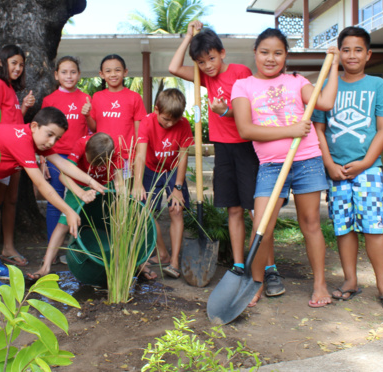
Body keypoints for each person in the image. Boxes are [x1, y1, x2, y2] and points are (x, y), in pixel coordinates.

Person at [168, 21, 286, 296]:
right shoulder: (203, 76)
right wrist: (188, 37)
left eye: (211, 58)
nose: (208, 65)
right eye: (201, 61)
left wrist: (226, 111)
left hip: (247, 146)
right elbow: (174, 67)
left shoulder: (240, 72)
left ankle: (269, 269)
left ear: (222, 53)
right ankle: (238, 265)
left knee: (258, 212)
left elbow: (249, 108)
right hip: (222, 148)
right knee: (233, 209)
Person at [231, 28, 340, 308]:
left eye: (278, 53)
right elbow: (245, 129)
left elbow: (325, 102)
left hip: (307, 160)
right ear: (255, 53)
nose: (271, 58)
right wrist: (290, 129)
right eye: (265, 52)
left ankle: (320, 284)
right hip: (271, 166)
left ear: (285, 56)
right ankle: (255, 285)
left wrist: (334, 64)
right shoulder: (243, 86)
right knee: (261, 226)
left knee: (311, 224)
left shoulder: (296, 80)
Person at [0, 107, 106, 294]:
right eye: (49, 135)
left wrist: (91, 181)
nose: (51, 142)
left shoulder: (37, 139)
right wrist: (69, 211)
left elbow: (62, 163)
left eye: (57, 138)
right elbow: (41, 184)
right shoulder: (22, 141)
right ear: (35, 126)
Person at [312, 26, 383, 311]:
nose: (351, 55)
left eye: (358, 49)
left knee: (374, 228)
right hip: (337, 171)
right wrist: (329, 164)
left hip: (368, 169)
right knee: (343, 227)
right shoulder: (327, 85)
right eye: (345, 49)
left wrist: (365, 162)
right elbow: (319, 129)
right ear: (338, 53)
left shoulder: (377, 86)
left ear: (368, 54)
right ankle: (350, 281)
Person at [28, 132, 124, 280]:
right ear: (86, 150)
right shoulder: (81, 144)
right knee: (62, 224)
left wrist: (119, 197)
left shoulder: (115, 149)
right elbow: (63, 176)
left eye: (99, 165)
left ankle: (132, 265)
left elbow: (119, 181)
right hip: (77, 187)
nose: (93, 167)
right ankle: (45, 267)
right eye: (90, 162)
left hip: (104, 187)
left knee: (115, 223)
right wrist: (81, 193)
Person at [133, 89, 193, 279]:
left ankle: (174, 262)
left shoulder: (183, 125)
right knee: (147, 212)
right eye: (166, 119)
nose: (170, 124)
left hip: (173, 169)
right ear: (156, 109)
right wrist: (137, 183)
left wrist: (178, 188)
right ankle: (163, 253)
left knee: (176, 209)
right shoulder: (147, 122)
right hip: (152, 169)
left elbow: (183, 157)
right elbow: (140, 155)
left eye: (174, 120)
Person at [0, 45, 36, 267]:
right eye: (13, 63)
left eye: (21, 64)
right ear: (1, 62)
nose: (17, 68)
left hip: (14, 153)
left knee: (12, 201)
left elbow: (13, 122)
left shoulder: (11, 89)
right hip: (2, 154)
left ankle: (7, 247)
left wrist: (23, 107)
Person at [41, 56, 91, 242]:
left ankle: (76, 247)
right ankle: (54, 248)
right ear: (56, 75)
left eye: (72, 72)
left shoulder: (86, 98)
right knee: (55, 201)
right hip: (55, 156)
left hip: (80, 158)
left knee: (81, 199)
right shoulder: (49, 100)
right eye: (64, 72)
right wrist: (43, 160)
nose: (68, 76)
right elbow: (42, 134)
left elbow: (91, 128)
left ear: (78, 75)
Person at [89, 54, 147, 176]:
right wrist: (86, 115)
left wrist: (135, 157)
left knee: (124, 193)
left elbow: (139, 132)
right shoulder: (97, 97)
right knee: (105, 192)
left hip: (125, 158)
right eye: (108, 71)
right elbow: (94, 128)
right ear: (102, 74)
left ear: (125, 72)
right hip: (102, 155)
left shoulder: (134, 97)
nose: (113, 74)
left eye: (117, 70)